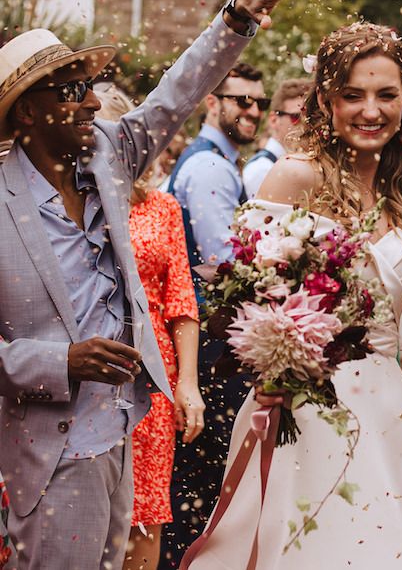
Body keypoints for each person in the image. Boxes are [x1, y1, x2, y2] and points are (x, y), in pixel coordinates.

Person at [0, 0, 312, 570]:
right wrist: (61, 361)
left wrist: (234, 21)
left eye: (90, 83)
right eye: (71, 90)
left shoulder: (106, 155)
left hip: (128, 429)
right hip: (49, 451)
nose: (92, 101)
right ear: (28, 112)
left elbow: (172, 99)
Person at [183, 22, 402, 569]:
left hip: (390, 411)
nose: (371, 110)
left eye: (386, 95)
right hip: (305, 410)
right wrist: (277, 360)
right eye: (352, 95)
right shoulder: (293, 179)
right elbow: (245, 303)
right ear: (325, 101)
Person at [161, 62, 268, 566]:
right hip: (204, 347)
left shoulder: (219, 163)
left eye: (259, 103)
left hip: (207, 342)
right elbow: (228, 269)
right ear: (213, 102)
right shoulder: (209, 169)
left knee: (203, 480)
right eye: (241, 100)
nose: (252, 110)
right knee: (201, 480)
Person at [96, 85, 206, 570]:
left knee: (146, 518)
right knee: (86, 518)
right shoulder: (71, 208)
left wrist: (188, 383)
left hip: (153, 378)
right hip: (89, 373)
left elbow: (182, 301)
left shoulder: (162, 208)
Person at [243, 77, 311, 198]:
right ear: (274, 120)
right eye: (296, 117)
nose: (305, 124)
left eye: (310, 117)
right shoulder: (262, 170)